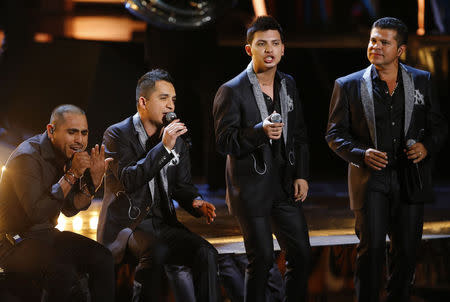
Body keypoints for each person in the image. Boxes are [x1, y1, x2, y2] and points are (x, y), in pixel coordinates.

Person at [325, 17, 448, 302]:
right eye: (373, 40)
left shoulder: (421, 80)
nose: (375, 46)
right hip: (371, 181)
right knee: (371, 252)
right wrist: (361, 154)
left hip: (410, 178)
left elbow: (439, 126)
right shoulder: (348, 85)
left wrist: (426, 147)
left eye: (384, 42)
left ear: (400, 50)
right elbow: (334, 134)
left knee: (406, 253)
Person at [97, 69, 220, 302]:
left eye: (173, 99)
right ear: (143, 102)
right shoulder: (116, 134)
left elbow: (182, 186)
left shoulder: (176, 139)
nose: (170, 106)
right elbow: (129, 180)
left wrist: (195, 202)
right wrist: (163, 148)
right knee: (156, 250)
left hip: (163, 222)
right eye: (163, 98)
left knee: (206, 253)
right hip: (129, 225)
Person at [213, 16, 312, 302]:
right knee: (262, 260)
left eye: (275, 44)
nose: (269, 50)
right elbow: (223, 142)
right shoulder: (231, 90)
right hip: (250, 188)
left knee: (302, 255)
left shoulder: (288, 85)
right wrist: (259, 132)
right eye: (261, 44)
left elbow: (301, 133)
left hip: (283, 186)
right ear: (249, 50)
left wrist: (302, 174)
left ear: (283, 49)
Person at [0, 104, 115, 301]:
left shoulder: (67, 155)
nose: (79, 140)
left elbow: (70, 208)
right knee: (63, 270)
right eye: (72, 132)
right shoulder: (27, 157)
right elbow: (36, 212)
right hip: (13, 242)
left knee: (103, 258)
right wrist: (72, 175)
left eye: (84, 133)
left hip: (45, 235)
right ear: (51, 130)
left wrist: (93, 184)